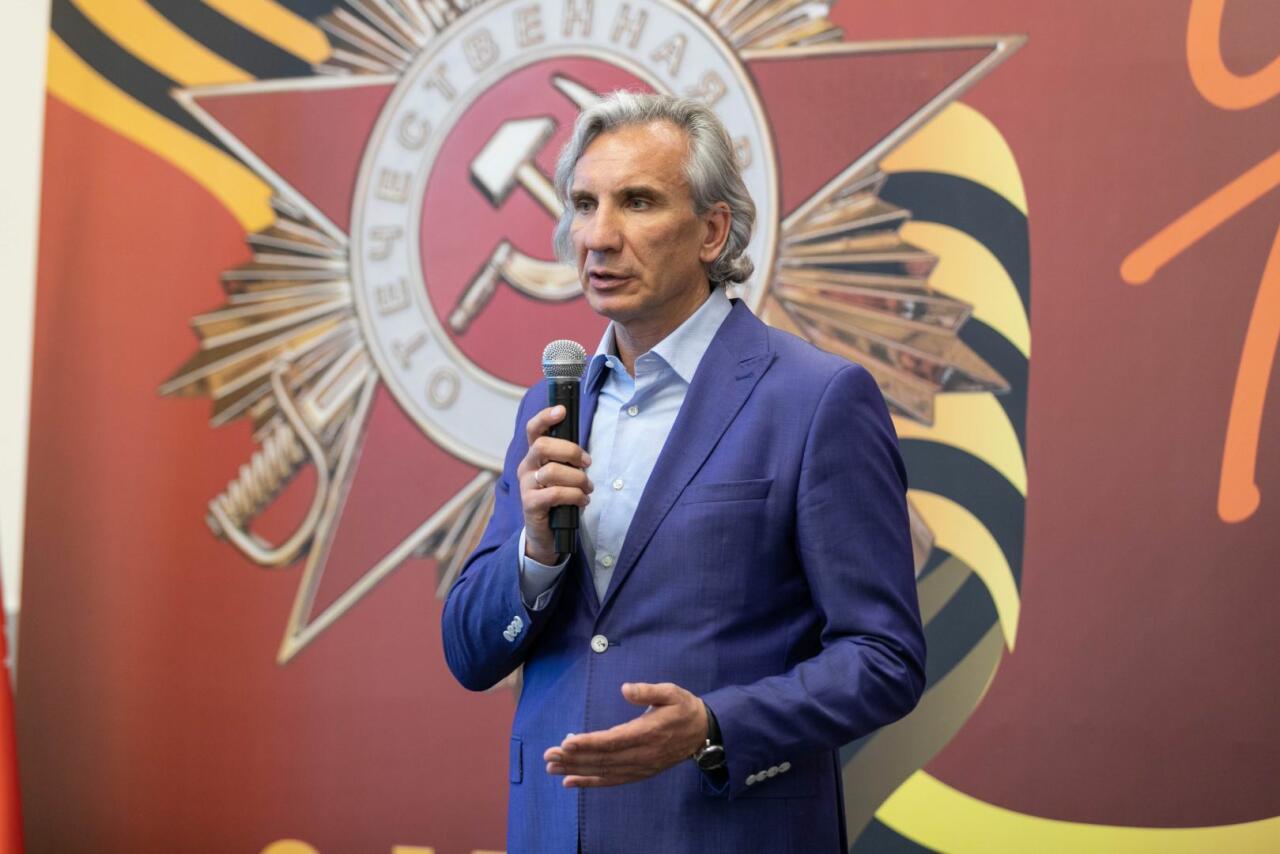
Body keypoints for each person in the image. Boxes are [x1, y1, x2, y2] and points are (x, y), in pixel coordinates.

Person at [442, 92, 925, 853]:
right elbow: (471, 653)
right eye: (584, 204)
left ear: (712, 231)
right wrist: (535, 554)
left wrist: (714, 727)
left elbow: (884, 659)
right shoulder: (552, 405)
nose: (598, 237)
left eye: (637, 202)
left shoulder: (816, 398)